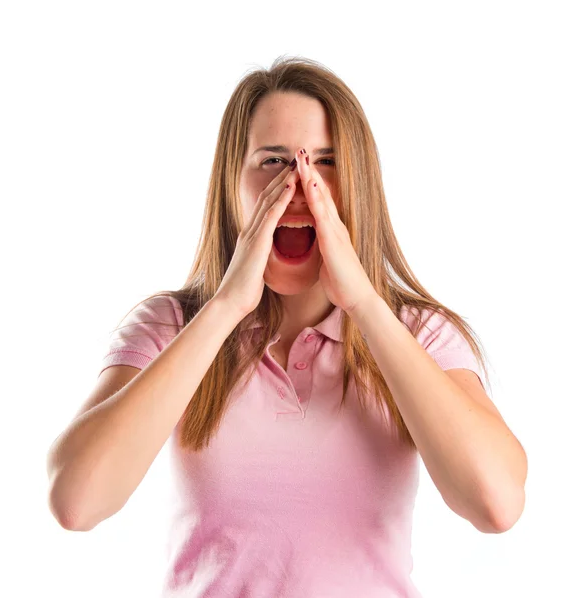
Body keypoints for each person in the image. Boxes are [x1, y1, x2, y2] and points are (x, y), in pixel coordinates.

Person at [46, 56, 526, 597]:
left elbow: (497, 505)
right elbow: (77, 502)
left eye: (327, 161)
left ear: (360, 184)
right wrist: (225, 307)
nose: (299, 184)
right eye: (273, 160)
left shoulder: (419, 334)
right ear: (231, 183)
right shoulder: (169, 327)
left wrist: (366, 304)